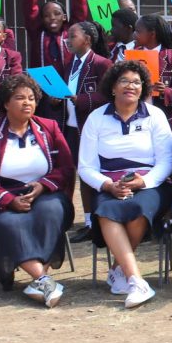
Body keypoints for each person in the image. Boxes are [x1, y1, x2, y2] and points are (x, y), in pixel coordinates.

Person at [0, 75, 75, 305]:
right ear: (5, 103)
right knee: (9, 223)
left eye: (31, 98)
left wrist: (43, 185)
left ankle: (41, 283)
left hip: (43, 193)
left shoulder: (49, 128)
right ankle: (42, 279)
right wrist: (7, 199)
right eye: (20, 98)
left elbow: (66, 167)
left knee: (51, 212)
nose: (27, 103)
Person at [79, 60, 172, 308]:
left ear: (143, 88)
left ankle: (118, 269)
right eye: (124, 81)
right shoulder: (96, 118)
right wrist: (108, 185)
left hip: (149, 183)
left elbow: (166, 161)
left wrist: (144, 181)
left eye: (136, 82)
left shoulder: (156, 116)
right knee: (107, 212)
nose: (130, 86)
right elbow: (86, 167)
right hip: (110, 183)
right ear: (112, 87)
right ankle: (136, 280)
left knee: (138, 210)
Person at [52, 21, 112, 244]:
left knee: (92, 174)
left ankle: (96, 221)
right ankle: (85, 220)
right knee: (75, 173)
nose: (67, 40)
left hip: (91, 128)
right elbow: (66, 92)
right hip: (71, 126)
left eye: (73, 36)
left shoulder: (102, 63)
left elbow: (108, 95)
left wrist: (81, 99)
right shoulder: (70, 64)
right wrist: (56, 98)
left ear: (87, 39)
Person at [22, 0, 91, 70]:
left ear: (64, 17)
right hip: (42, 86)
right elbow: (29, 9)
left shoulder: (71, 32)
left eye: (57, 14)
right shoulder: (37, 34)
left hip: (69, 85)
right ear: (42, 19)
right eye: (46, 15)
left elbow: (80, 8)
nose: (52, 18)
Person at [131, 14, 172, 130]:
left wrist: (165, 91)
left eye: (138, 31)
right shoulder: (131, 55)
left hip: (166, 120)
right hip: (136, 118)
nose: (134, 35)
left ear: (152, 34)